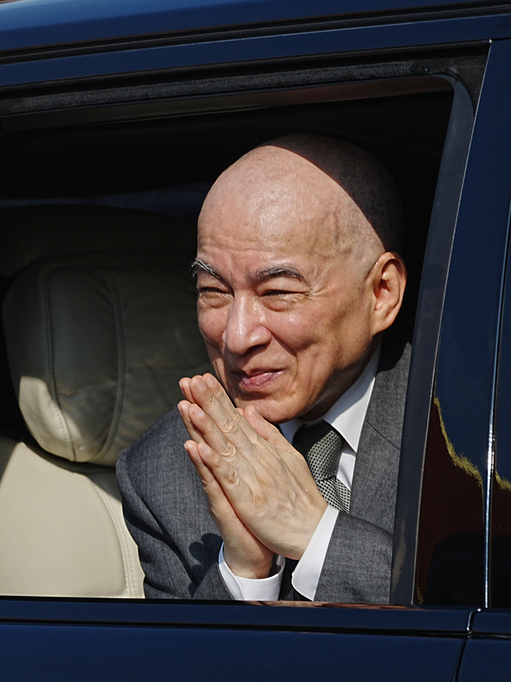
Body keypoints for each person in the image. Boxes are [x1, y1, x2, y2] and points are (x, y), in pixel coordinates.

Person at [117, 133, 409, 603]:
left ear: (381, 294)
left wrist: (316, 538)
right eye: (213, 291)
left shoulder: (471, 434)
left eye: (277, 293)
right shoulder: (167, 469)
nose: (236, 337)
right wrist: (247, 575)